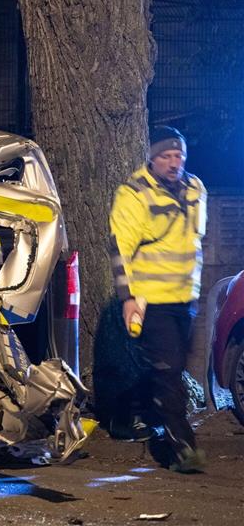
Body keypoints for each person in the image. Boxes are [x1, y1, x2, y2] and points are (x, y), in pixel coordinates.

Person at [108, 125, 207, 473]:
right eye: (165, 155)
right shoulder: (134, 194)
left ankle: (132, 413)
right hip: (151, 301)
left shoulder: (196, 188)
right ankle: (183, 449)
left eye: (178, 154)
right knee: (169, 371)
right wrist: (129, 298)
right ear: (151, 157)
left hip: (186, 300)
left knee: (172, 371)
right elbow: (121, 249)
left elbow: (195, 239)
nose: (173, 162)